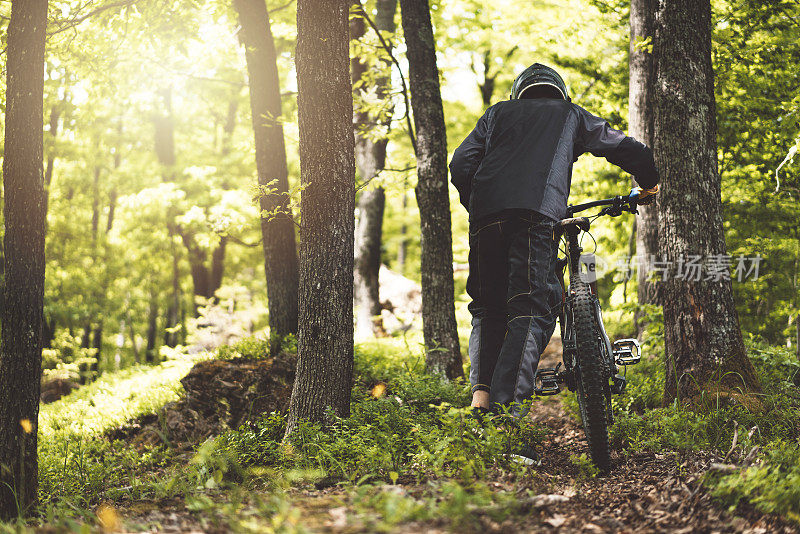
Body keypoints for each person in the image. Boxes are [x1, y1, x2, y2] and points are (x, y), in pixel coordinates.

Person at [450, 63, 659, 433]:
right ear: (559, 91)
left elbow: (461, 163)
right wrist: (649, 183)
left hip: (486, 218)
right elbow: (625, 147)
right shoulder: (570, 114)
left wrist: (480, 204)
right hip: (536, 214)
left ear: (519, 92)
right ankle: (506, 423)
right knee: (530, 309)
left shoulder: (496, 114)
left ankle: (480, 402)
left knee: (488, 307)